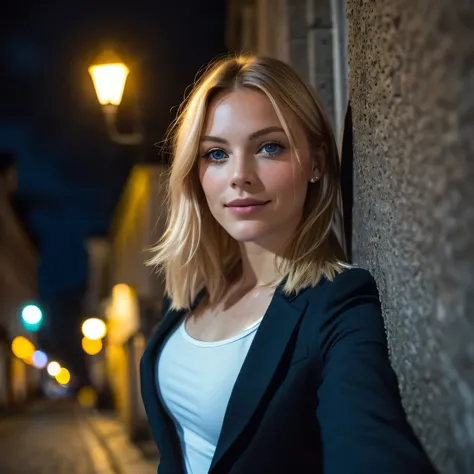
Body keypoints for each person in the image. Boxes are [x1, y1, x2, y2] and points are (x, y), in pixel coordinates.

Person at [140, 55, 437, 474]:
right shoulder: (194, 297)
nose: (239, 175)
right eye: (216, 154)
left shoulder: (337, 301)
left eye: (268, 147)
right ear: (195, 172)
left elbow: (368, 442)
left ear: (316, 162)